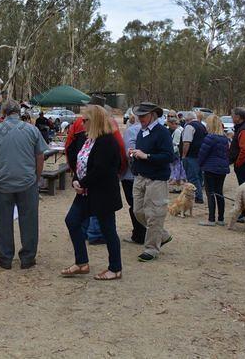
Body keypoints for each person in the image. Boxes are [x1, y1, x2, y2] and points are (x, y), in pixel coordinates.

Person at [62, 105, 123, 280]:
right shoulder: (88, 138)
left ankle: (115, 268)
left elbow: (100, 170)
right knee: (72, 221)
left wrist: (81, 182)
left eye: (85, 120)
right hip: (85, 192)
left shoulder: (107, 141)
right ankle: (82, 263)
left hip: (102, 194)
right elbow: (81, 161)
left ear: (95, 120)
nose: (82, 123)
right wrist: (76, 180)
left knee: (108, 229)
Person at [0, 99, 48, 270]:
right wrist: (37, 176)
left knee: (2, 220)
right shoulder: (32, 130)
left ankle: (5, 257)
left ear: (4, 113)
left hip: (1, 183)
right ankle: (27, 258)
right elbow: (40, 156)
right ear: (18, 112)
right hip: (27, 182)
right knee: (29, 220)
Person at [129, 102, 173, 262]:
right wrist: (134, 154)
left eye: (143, 116)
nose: (140, 118)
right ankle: (162, 235)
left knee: (154, 214)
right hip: (140, 177)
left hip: (156, 179)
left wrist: (146, 156)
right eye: (138, 116)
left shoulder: (162, 132)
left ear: (153, 115)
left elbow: (168, 156)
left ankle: (151, 249)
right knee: (138, 211)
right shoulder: (142, 132)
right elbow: (143, 152)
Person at [197, 115, 230, 226]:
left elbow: (202, 154)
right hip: (222, 169)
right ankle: (221, 218)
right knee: (219, 193)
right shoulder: (224, 138)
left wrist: (199, 164)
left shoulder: (209, 138)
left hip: (210, 168)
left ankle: (211, 219)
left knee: (210, 193)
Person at [121, 114, 145, 245]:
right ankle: (143, 233)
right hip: (143, 175)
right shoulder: (151, 131)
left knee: (135, 205)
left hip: (131, 176)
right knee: (142, 205)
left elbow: (129, 152)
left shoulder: (131, 131)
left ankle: (139, 234)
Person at [180, 111, 206, 203]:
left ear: (187, 119)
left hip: (191, 156)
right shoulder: (202, 126)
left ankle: (198, 197)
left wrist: (183, 155)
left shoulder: (189, 126)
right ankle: (199, 196)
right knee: (199, 177)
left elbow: (187, 142)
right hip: (200, 156)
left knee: (192, 178)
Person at [167, 117, 186, 193]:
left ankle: (178, 188)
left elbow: (176, 144)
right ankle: (179, 187)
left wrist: (171, 152)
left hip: (176, 154)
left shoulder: (178, 131)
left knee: (177, 169)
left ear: (173, 124)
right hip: (178, 153)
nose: (169, 127)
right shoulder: (181, 129)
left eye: (170, 125)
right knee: (179, 170)